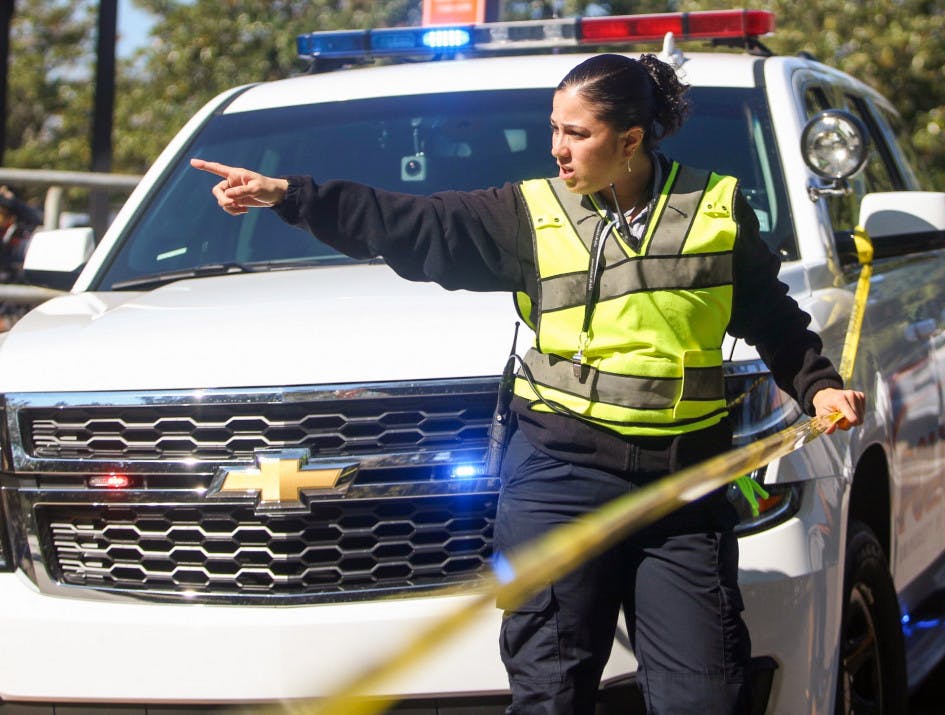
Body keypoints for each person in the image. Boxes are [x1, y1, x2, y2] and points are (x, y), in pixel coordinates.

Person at [192, 52, 865, 715]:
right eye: (553, 130)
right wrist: (291, 196)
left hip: (682, 491)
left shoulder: (717, 210)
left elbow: (772, 317)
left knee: (707, 694)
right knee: (549, 693)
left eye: (576, 134)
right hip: (559, 480)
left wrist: (818, 385)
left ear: (630, 139)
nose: (557, 150)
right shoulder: (528, 213)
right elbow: (408, 222)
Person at [0, 185, 41, 284]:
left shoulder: (14, 233)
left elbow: (35, 219)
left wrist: (14, 201)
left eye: (5, 214)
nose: (2, 218)